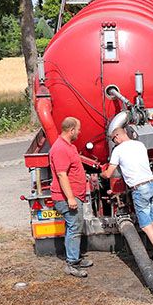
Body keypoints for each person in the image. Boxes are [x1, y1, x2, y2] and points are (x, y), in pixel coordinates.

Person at [101, 126, 153, 269]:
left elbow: (109, 173)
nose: (114, 142)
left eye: (113, 140)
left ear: (117, 137)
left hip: (139, 189)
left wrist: (102, 174)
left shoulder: (118, 150)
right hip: (152, 185)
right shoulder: (140, 145)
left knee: (146, 226)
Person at [49, 116, 92, 278]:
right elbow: (61, 174)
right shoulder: (60, 148)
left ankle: (75, 258)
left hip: (73, 195)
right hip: (66, 197)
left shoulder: (68, 146)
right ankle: (72, 263)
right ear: (71, 130)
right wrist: (71, 198)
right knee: (74, 228)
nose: (79, 133)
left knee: (72, 227)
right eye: (78, 129)